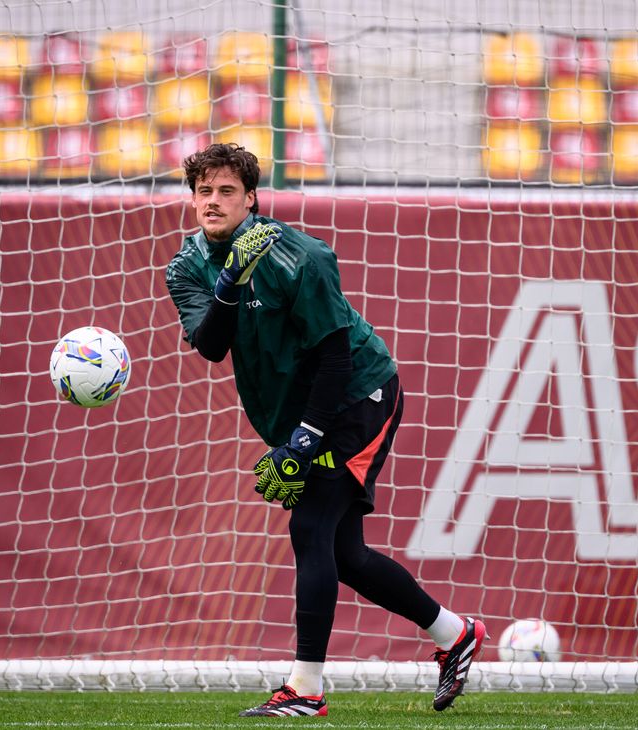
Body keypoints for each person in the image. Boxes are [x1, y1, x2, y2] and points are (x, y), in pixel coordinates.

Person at [165, 142, 485, 717]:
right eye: (203, 191)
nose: (212, 202)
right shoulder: (187, 265)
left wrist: (307, 438)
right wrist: (231, 281)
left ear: (251, 199)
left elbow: (337, 355)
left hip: (359, 394)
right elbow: (212, 347)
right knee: (345, 553)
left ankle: (305, 689)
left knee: (311, 528)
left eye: (226, 192)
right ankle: (454, 634)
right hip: (302, 413)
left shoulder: (299, 256)